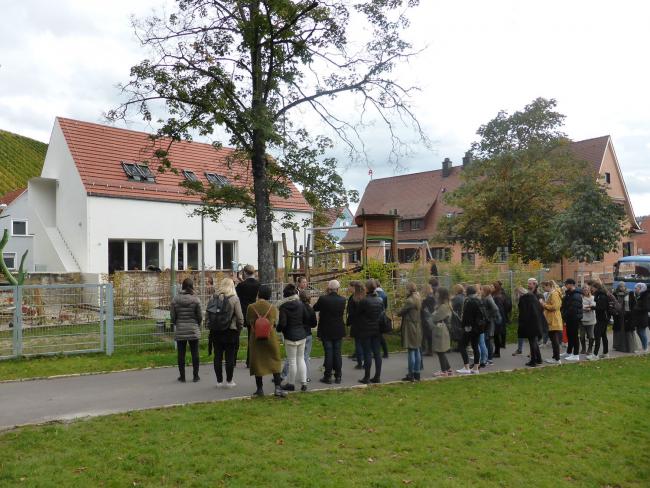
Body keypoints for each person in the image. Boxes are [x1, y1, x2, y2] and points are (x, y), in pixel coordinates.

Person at [246, 285, 286, 398]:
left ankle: (259, 389)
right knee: (275, 360)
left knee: (258, 361)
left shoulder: (251, 307)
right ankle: (278, 388)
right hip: (270, 337)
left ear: (258, 294)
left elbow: (248, 321)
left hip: (256, 338)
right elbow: (276, 322)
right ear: (269, 295)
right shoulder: (273, 308)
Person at [211, 278, 244, 387]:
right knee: (230, 357)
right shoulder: (234, 299)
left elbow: (208, 314)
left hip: (216, 331)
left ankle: (219, 381)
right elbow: (240, 317)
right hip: (230, 331)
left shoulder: (213, 297)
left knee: (217, 356)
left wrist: (210, 326)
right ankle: (229, 381)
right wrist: (239, 329)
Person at [314, 280, 347, 384]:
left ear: (329, 288)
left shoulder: (323, 299)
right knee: (337, 352)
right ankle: (338, 376)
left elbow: (315, 308)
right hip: (338, 329)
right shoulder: (342, 300)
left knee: (328, 353)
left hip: (326, 329)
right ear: (338, 289)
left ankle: (327, 376)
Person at [278, 283, 310, 392]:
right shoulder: (301, 304)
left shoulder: (283, 306)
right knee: (301, 359)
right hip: (302, 335)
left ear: (285, 295)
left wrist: (278, 329)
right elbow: (307, 318)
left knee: (292, 361)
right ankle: (304, 383)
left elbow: (282, 323)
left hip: (290, 336)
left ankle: (291, 384)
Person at [171, 278, 202, 383]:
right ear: (192, 286)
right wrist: (196, 324)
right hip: (193, 329)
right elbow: (200, 316)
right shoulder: (196, 299)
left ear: (182, 286)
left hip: (180, 329)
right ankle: (196, 376)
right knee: (195, 353)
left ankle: (182, 376)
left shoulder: (175, 299)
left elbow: (173, 317)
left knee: (181, 354)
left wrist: (177, 323)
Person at [356, 279, 384, 384]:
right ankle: (377, 376)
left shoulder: (364, 301)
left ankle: (367, 377)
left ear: (367, 288)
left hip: (366, 330)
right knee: (377, 353)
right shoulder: (380, 300)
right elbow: (381, 313)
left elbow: (358, 314)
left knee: (367, 353)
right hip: (377, 330)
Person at [236, 265, 260, 368]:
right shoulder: (258, 284)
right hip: (253, 312)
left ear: (245, 273)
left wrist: (240, 281)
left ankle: (232, 360)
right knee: (251, 338)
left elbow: (237, 295)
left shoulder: (241, 285)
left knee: (235, 336)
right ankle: (249, 361)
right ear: (254, 272)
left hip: (241, 312)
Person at [398, 283, 423, 381]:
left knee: (411, 350)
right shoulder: (418, 298)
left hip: (410, 326)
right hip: (417, 326)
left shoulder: (410, 300)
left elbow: (401, 312)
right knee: (417, 350)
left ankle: (410, 374)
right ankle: (417, 373)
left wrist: (397, 313)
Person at [456, 285, 482, 375]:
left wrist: (463, 326)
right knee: (475, 347)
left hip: (469, 328)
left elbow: (466, 317)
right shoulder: (479, 300)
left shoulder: (469, 302)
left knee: (462, 345)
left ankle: (466, 367)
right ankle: (475, 368)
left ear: (468, 293)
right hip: (478, 328)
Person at [517, 286, 543, 367]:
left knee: (532, 342)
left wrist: (521, 324)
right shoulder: (533, 297)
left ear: (519, 293)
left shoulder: (523, 300)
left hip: (529, 323)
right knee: (534, 341)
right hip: (536, 321)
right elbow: (540, 308)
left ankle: (533, 361)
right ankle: (539, 359)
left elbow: (523, 313)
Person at [431, 287, 453, 376]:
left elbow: (435, 318)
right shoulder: (443, 305)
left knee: (440, 351)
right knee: (441, 351)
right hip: (441, 329)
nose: (435, 294)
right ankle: (448, 369)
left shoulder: (444, 306)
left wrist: (432, 314)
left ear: (441, 294)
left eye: (437, 293)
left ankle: (443, 371)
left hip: (441, 330)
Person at [541, 280, 563, 364]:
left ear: (549, 286)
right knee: (554, 339)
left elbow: (555, 307)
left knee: (554, 340)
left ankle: (557, 359)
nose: (543, 289)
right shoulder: (552, 293)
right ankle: (555, 357)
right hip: (552, 318)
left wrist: (544, 305)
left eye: (544, 287)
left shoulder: (554, 294)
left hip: (553, 319)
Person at [561, 279, 583, 361]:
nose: (565, 286)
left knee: (574, 336)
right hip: (569, 318)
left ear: (571, 284)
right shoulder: (569, 294)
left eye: (566, 284)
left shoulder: (576, 295)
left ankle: (576, 354)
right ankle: (569, 352)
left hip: (574, 318)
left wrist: (565, 314)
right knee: (569, 335)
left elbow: (573, 309)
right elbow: (564, 304)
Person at [346, 281, 366, 370]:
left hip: (356, 323)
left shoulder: (353, 298)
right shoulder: (365, 298)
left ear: (355, 287)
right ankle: (365, 361)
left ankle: (359, 362)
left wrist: (349, 322)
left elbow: (351, 312)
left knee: (358, 342)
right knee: (365, 343)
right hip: (365, 323)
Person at [481, 284, 501, 365]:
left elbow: (496, 309)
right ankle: (488, 357)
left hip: (489, 323)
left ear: (485, 291)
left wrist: (489, 316)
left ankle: (489, 359)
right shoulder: (486, 297)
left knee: (488, 340)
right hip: (487, 322)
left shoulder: (489, 298)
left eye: (482, 289)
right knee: (487, 340)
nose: (481, 291)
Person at [614, 282, 636, 352]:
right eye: (620, 287)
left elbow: (633, 304)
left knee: (628, 331)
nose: (622, 288)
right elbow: (613, 304)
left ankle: (630, 347)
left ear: (625, 287)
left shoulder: (630, 293)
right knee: (619, 331)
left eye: (623, 286)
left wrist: (631, 314)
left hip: (628, 316)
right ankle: (619, 346)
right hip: (619, 316)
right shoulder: (615, 294)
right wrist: (615, 312)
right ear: (618, 287)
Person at [590, 282, 610, 360]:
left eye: (592, 287)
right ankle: (605, 353)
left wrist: (592, 307)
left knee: (597, 335)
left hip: (602, 319)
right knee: (603, 335)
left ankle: (595, 355)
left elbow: (602, 308)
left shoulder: (601, 296)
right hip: (603, 318)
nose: (591, 289)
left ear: (596, 288)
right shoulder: (601, 295)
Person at [491, 281, 511, 357]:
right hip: (500, 318)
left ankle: (497, 352)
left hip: (498, 319)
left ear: (495, 288)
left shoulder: (497, 297)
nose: (491, 288)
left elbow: (499, 310)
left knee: (496, 335)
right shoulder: (496, 295)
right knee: (497, 335)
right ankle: (497, 351)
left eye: (492, 286)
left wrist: (498, 319)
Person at [629, 283, 649, 352]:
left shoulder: (645, 296)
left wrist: (636, 308)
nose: (635, 289)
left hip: (642, 317)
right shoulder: (639, 295)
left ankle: (645, 347)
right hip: (638, 317)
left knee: (642, 332)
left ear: (641, 288)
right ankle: (644, 346)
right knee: (638, 332)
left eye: (636, 288)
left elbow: (646, 307)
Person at [580, 284, 596, 357]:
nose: (585, 290)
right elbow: (580, 306)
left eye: (586, 289)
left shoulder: (593, 297)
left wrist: (587, 307)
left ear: (589, 290)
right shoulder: (580, 298)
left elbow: (592, 306)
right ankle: (583, 348)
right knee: (582, 336)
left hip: (591, 319)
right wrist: (587, 307)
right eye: (584, 289)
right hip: (582, 319)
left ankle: (590, 349)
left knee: (590, 336)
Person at [375, 280, 390, 358]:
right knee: (380, 335)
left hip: (376, 317)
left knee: (377, 336)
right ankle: (385, 352)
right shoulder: (384, 294)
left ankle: (378, 353)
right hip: (382, 316)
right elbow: (386, 307)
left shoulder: (375, 294)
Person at [450, 284, 465, 351]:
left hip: (457, 315)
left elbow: (452, 306)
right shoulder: (463, 296)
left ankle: (459, 347)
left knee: (457, 330)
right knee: (460, 330)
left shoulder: (457, 298)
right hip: (462, 315)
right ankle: (460, 346)